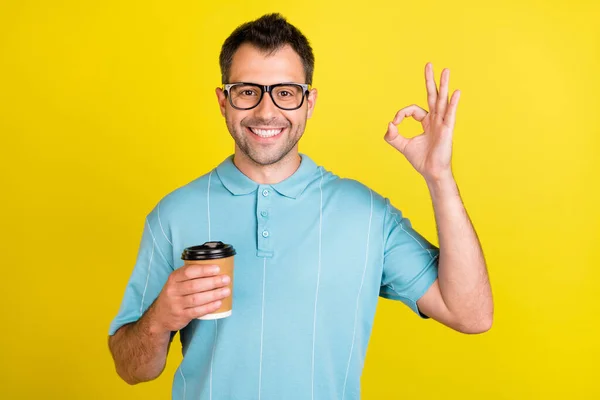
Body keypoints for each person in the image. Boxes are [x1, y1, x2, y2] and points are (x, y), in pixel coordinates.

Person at [108, 13, 493, 400]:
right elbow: (130, 368)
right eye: (247, 91)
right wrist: (159, 320)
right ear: (223, 101)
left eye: (286, 92)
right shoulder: (173, 214)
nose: (266, 111)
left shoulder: (367, 214)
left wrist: (439, 177)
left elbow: (471, 315)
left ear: (309, 102)